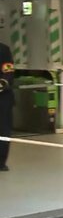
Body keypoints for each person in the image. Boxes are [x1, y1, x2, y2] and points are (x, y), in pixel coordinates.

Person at [0, 42, 14, 171]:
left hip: (2, 97)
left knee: (3, 129)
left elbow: (8, 71)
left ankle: (1, 161)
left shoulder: (3, 49)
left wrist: (2, 83)